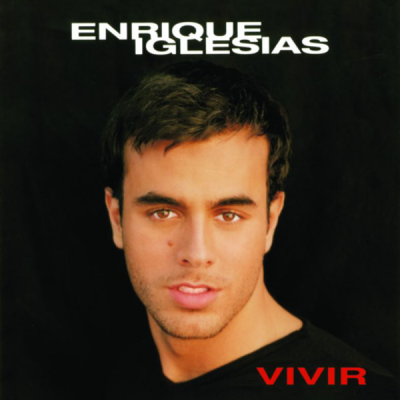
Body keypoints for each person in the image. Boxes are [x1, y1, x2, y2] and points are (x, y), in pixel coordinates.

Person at [102, 61, 398, 399]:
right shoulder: (107, 368)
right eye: (163, 212)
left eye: (228, 215)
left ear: (271, 221)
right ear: (116, 218)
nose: (196, 254)